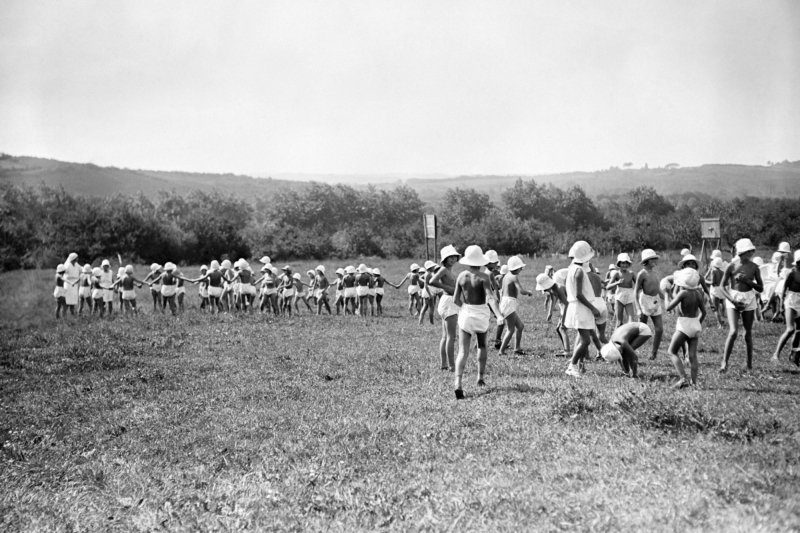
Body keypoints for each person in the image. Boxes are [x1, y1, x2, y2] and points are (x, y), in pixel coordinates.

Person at [453, 245, 493, 399]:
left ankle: (458, 383)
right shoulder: (484, 277)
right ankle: (480, 377)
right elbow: (489, 295)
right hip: (481, 313)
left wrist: (465, 308)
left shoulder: (461, 276)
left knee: (463, 351)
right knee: (482, 345)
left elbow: (456, 299)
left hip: (466, 313)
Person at [720, 238, 764, 372]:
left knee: (747, 333)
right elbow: (722, 286)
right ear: (740, 253)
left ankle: (749, 364)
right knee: (733, 332)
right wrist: (733, 301)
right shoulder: (731, 266)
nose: (748, 255)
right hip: (733, 297)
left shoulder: (754, 267)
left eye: (750, 252)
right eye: (746, 252)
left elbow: (760, 288)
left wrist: (747, 281)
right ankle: (724, 362)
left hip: (748, 298)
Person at [563, 241, 601, 378]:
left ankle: (576, 364)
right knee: (586, 340)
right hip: (581, 308)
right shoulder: (578, 271)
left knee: (583, 339)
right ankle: (572, 365)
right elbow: (579, 294)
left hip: (578, 307)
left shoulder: (572, 268)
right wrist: (593, 308)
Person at [665, 268, 706, 388]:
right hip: (695, 323)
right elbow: (704, 312)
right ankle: (694, 383)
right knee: (692, 356)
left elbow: (668, 307)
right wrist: (697, 323)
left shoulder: (683, 293)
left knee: (671, 351)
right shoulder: (698, 293)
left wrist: (667, 294)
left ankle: (683, 378)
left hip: (684, 324)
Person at [429, 245, 461, 371]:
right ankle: (452, 366)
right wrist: (447, 288)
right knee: (451, 337)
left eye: (454, 257)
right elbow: (432, 281)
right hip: (448, 302)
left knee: (446, 336)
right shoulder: (443, 270)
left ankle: (444, 364)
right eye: (450, 257)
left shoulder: (450, 271)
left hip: (449, 302)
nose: (452, 259)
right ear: (445, 259)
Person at [498, 256, 533, 355]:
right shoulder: (514, 277)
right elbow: (521, 291)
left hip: (506, 302)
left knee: (520, 326)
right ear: (515, 268)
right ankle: (501, 351)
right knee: (511, 329)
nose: (521, 269)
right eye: (520, 267)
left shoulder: (506, 275)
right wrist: (528, 292)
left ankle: (517, 348)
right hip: (509, 303)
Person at [634, 249, 663, 360]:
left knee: (659, 329)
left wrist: (667, 300)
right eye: (652, 259)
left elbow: (658, 290)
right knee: (642, 329)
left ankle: (654, 353)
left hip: (655, 301)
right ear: (646, 261)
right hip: (645, 301)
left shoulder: (656, 273)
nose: (655, 261)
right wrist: (638, 308)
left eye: (655, 259)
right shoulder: (642, 274)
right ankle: (632, 349)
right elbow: (635, 291)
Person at [772, 249, 800, 364]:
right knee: (790, 329)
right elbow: (784, 289)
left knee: (799, 331)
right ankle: (776, 354)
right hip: (791, 301)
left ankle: (793, 353)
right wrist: (782, 305)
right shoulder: (792, 273)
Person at [535, 273, 569, 356]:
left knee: (562, 328)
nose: (545, 290)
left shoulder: (560, 288)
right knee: (558, 329)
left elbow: (567, 305)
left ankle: (567, 351)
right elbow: (553, 299)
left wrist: (564, 320)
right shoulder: (553, 289)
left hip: (569, 309)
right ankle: (565, 347)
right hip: (563, 308)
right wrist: (550, 313)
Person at [607, 253, 636, 325]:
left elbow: (638, 284)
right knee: (619, 322)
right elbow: (608, 286)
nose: (624, 265)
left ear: (629, 264)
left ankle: (628, 335)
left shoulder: (631, 273)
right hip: (619, 297)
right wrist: (617, 283)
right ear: (619, 264)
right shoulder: (617, 274)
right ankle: (616, 335)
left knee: (631, 321)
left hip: (629, 296)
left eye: (626, 263)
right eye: (623, 263)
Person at [705, 257, 727, 328]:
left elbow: (712, 282)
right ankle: (721, 321)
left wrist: (705, 280)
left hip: (715, 290)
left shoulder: (713, 271)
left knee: (715, 308)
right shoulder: (722, 272)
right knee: (719, 306)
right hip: (721, 290)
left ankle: (720, 324)